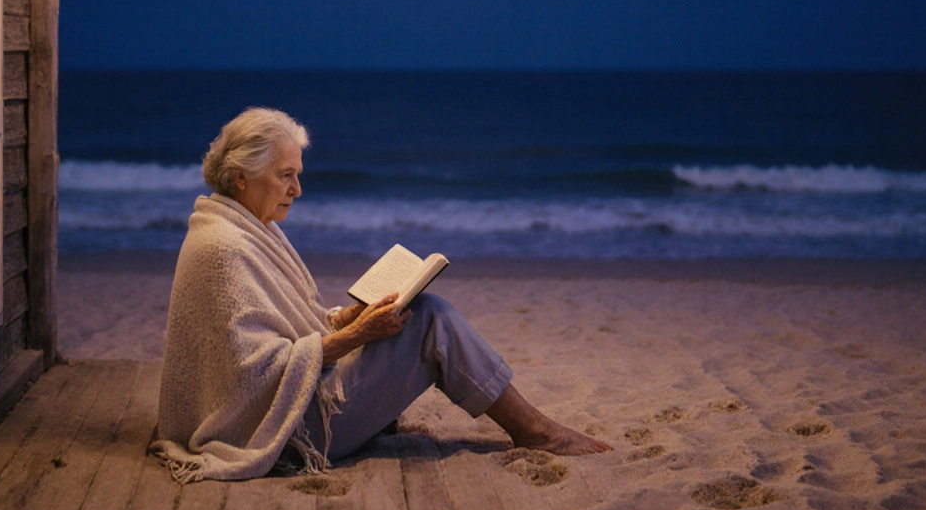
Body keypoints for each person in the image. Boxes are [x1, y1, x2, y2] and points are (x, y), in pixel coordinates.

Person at [151, 107, 610, 482]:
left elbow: (287, 328)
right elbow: (254, 374)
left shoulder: (242, 226)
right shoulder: (224, 248)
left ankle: (534, 428)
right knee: (431, 319)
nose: (297, 189)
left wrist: (348, 317)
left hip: (287, 409)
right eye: (285, 175)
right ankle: (537, 431)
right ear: (240, 179)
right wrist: (359, 335)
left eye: (298, 174)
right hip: (285, 429)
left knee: (420, 311)